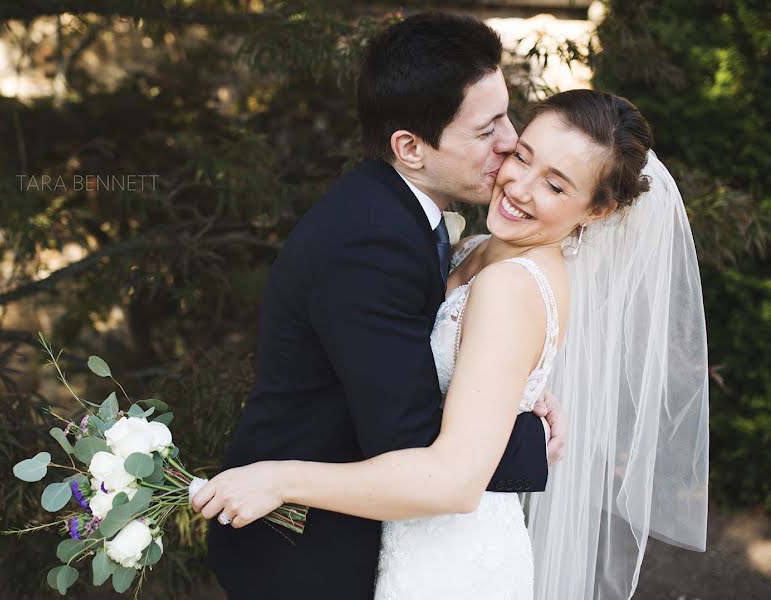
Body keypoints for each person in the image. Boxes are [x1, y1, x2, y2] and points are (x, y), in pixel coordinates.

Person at [193, 88, 710, 599]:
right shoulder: (479, 248)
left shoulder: (511, 287)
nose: (519, 187)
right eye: (522, 157)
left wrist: (279, 481)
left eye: (555, 185)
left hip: (449, 557)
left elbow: (454, 484)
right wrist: (524, 401)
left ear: (597, 210)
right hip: (405, 533)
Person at [202, 13, 568, 600]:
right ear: (410, 147)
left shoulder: (399, 208)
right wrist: (522, 437)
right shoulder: (371, 240)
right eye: (486, 128)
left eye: (506, 114)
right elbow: (410, 442)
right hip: (305, 552)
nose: (510, 140)